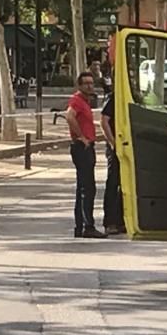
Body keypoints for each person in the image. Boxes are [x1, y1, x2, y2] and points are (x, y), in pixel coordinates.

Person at [66, 72, 106, 239]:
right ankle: (87, 226)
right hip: (82, 147)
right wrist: (81, 137)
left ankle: (81, 226)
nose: (90, 86)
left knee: (84, 187)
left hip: (86, 146)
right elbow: (69, 116)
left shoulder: (85, 102)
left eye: (91, 83)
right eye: (86, 83)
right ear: (80, 85)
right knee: (87, 188)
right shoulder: (76, 100)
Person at [100, 90, 125, 235]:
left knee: (125, 184)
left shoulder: (129, 94)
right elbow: (104, 120)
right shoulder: (113, 97)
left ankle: (121, 220)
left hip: (127, 147)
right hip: (116, 148)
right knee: (113, 183)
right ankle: (110, 222)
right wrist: (113, 143)